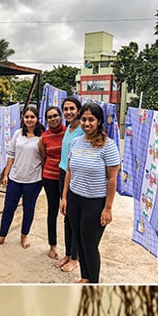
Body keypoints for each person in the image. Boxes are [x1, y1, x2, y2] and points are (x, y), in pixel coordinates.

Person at [60, 103, 121, 284]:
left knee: (90, 246)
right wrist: (64, 197)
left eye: (91, 119)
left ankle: (93, 283)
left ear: (99, 121)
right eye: (84, 119)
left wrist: (107, 208)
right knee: (79, 242)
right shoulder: (76, 142)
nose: (87, 123)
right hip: (74, 199)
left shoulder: (108, 146)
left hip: (94, 204)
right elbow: (69, 171)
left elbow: (112, 179)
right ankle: (85, 278)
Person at [0, 106, 44, 250]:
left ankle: (24, 235)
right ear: (22, 118)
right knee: (8, 208)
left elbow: (45, 158)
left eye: (32, 117)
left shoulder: (42, 136)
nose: (29, 119)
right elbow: (11, 155)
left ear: (37, 119)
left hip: (33, 180)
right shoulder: (18, 134)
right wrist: (6, 174)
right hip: (15, 178)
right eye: (27, 117)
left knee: (28, 209)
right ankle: (2, 235)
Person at [54, 97, 83, 273]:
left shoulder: (83, 130)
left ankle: (75, 257)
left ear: (78, 110)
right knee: (66, 216)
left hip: (75, 176)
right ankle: (67, 253)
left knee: (76, 219)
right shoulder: (69, 129)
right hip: (63, 173)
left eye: (72, 108)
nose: (68, 112)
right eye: (65, 109)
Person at [38, 105, 67, 261]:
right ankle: (53, 245)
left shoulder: (69, 133)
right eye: (50, 117)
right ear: (46, 119)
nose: (53, 119)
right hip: (49, 177)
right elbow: (43, 158)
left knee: (68, 212)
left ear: (60, 116)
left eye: (55, 115)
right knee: (52, 211)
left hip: (67, 178)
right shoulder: (44, 137)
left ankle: (72, 250)